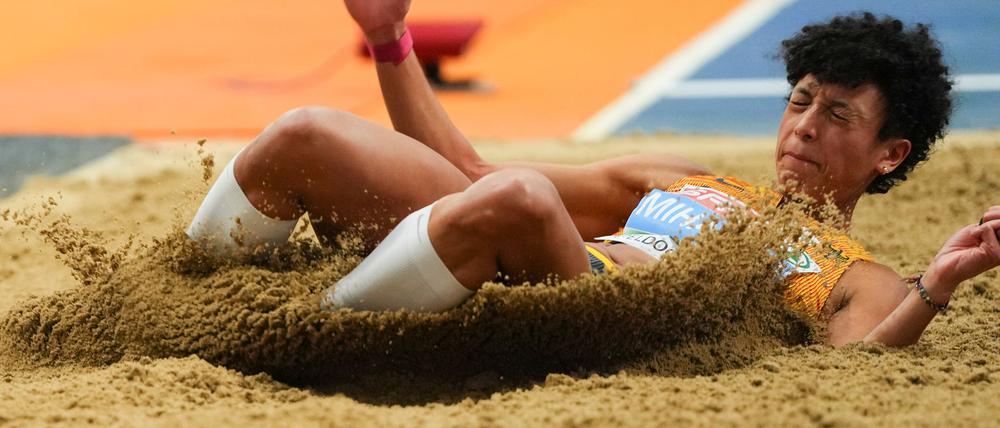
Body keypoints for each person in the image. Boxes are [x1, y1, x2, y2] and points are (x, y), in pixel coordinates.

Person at [187, 1, 1000, 347]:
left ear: (890, 153)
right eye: (799, 101)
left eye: (837, 117)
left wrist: (939, 286)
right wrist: (392, 38)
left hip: (590, 321)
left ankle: (298, 331)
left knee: (520, 198)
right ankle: (175, 302)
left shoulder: (861, 277)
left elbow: (858, 363)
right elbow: (467, 168)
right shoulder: (687, 177)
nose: (804, 128)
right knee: (305, 133)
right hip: (516, 249)